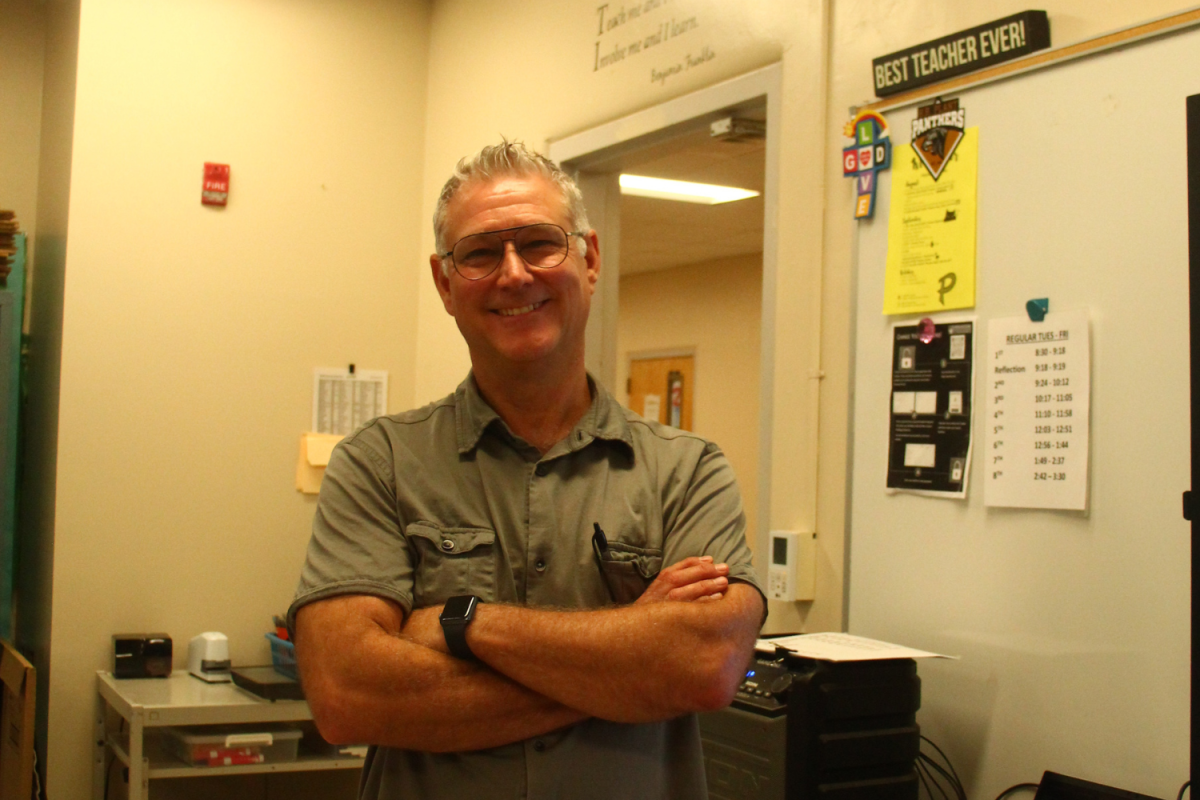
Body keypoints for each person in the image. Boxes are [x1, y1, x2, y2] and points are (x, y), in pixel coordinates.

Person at [289, 140, 766, 799]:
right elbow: (348, 694)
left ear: (589, 258)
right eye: (481, 253)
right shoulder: (378, 465)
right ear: (444, 283)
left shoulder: (687, 471)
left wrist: (464, 623)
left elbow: (707, 664)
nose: (513, 274)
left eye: (539, 243)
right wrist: (626, 672)